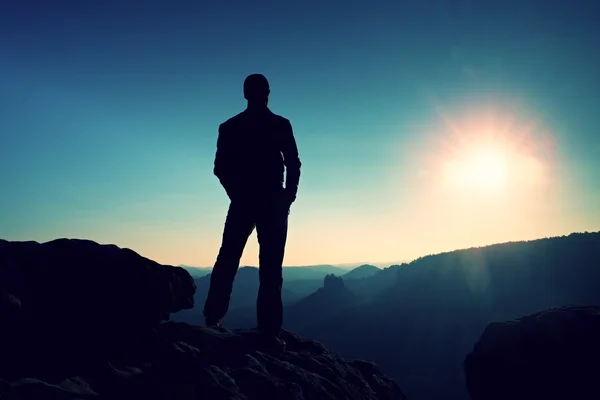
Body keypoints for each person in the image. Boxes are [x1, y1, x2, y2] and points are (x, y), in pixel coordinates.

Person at [203, 74, 301, 349]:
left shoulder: (232, 127)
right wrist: (286, 198)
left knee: (229, 259)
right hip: (267, 202)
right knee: (268, 267)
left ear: (246, 94)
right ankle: (268, 330)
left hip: (251, 202)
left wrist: (241, 194)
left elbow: (220, 168)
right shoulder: (278, 125)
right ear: (268, 92)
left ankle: (213, 319)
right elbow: (293, 164)